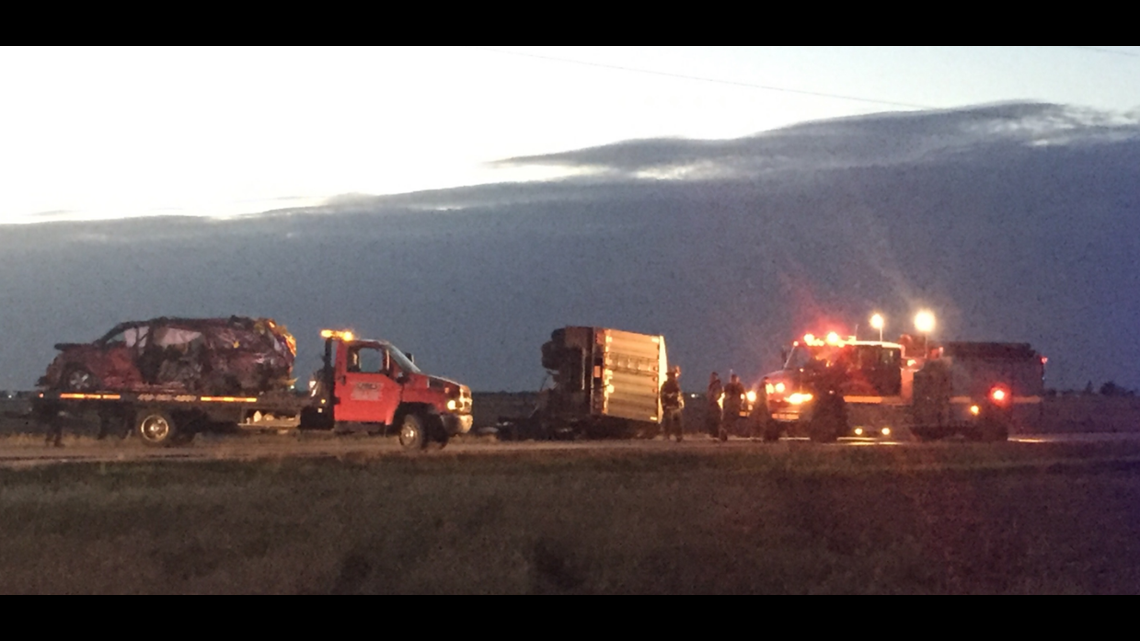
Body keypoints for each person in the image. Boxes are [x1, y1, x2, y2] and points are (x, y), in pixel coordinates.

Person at [660, 366, 685, 443]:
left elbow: (677, 394)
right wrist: (665, 405)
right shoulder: (670, 384)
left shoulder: (670, 384)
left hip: (673, 407)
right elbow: (664, 395)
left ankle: (676, 436)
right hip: (671, 407)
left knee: (675, 422)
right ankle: (674, 436)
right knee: (671, 422)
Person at [722, 372, 746, 442]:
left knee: (736, 419)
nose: (734, 381)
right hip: (729, 406)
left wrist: (742, 403)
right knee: (727, 420)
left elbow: (743, 396)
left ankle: (735, 432)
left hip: (736, 406)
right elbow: (725, 396)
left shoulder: (740, 387)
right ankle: (727, 433)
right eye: (733, 379)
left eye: (735, 379)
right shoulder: (728, 386)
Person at [706, 372, 723, 438]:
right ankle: (714, 434)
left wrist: (714, 399)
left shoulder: (717, 386)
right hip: (711, 404)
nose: (711, 378)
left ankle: (717, 435)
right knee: (711, 420)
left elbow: (718, 395)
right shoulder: (711, 386)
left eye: (713, 377)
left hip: (716, 405)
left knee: (716, 420)